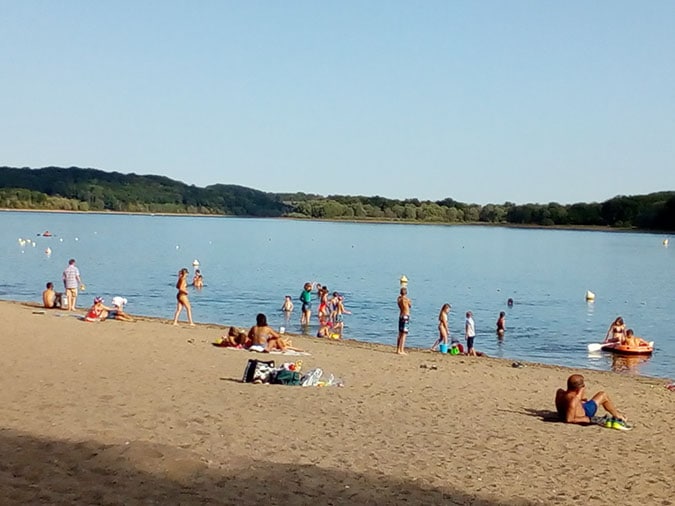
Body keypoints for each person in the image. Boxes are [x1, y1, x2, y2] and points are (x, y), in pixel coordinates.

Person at [555, 374, 630, 429]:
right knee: (603, 395)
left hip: (576, 407)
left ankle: (617, 415)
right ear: (579, 388)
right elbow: (569, 419)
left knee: (584, 399)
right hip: (585, 413)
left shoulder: (560, 392)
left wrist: (579, 398)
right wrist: (591, 419)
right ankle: (618, 415)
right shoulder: (574, 400)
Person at [396, 287, 412, 355]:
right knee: (404, 334)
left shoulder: (399, 299)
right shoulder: (406, 299)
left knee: (400, 333)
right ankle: (401, 349)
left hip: (401, 316)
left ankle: (398, 349)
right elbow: (410, 305)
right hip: (405, 316)